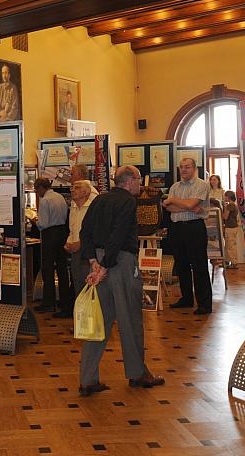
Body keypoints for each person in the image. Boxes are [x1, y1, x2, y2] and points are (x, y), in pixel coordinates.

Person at [79, 165, 164, 396]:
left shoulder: (99, 200)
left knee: (99, 322)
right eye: (138, 179)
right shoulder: (127, 202)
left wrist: (93, 262)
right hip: (120, 263)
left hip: (98, 261)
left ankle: (87, 379)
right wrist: (105, 266)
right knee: (130, 320)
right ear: (129, 181)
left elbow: (84, 231)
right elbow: (117, 235)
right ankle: (138, 374)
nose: (140, 184)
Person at [163, 157, 212, 315]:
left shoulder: (202, 185)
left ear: (194, 169)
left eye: (187, 167)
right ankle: (186, 299)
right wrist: (188, 207)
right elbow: (169, 208)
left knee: (199, 266)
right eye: (181, 167)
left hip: (195, 229)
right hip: (176, 229)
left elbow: (187, 204)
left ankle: (204, 304)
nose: (183, 170)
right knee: (181, 265)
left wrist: (174, 200)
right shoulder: (175, 186)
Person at [32, 177, 70, 315]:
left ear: (42, 187)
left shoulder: (45, 200)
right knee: (62, 268)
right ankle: (65, 301)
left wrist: (35, 221)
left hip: (49, 234)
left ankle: (49, 302)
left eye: (37, 189)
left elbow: (43, 223)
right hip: (62, 233)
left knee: (47, 269)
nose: (37, 192)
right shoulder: (60, 197)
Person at [63, 180, 98, 310]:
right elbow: (72, 229)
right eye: (72, 187)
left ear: (85, 192)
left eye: (77, 188)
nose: (72, 190)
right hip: (75, 253)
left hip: (88, 253)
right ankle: (81, 321)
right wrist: (69, 242)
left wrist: (80, 244)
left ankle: (91, 321)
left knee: (88, 286)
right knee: (78, 286)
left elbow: (96, 231)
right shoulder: (73, 206)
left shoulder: (93, 207)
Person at [222, 190, 240, 269]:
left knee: (230, 246)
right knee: (229, 245)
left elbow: (225, 216)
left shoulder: (229, 206)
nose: (224, 197)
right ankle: (227, 261)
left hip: (230, 227)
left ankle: (234, 263)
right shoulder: (234, 205)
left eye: (225, 196)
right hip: (234, 227)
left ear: (228, 197)